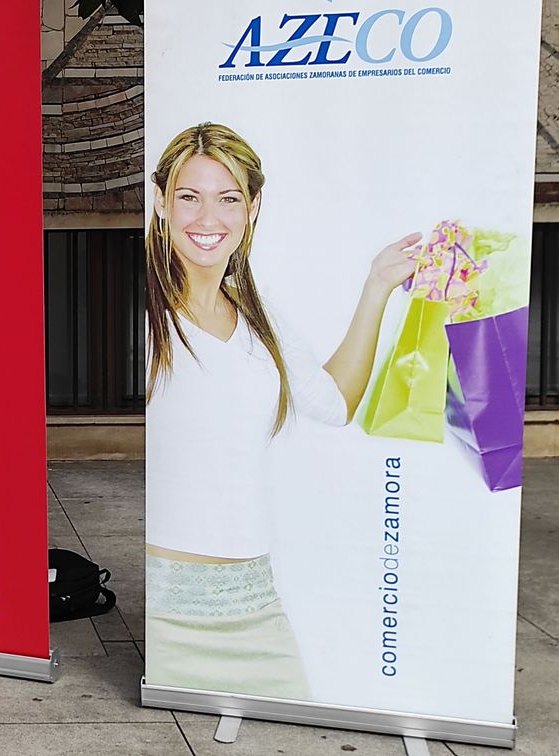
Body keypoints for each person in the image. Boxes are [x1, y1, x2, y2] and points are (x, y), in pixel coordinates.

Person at [143, 123, 416, 700]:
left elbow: (334, 403)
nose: (207, 218)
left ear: (253, 207)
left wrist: (377, 286)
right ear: (161, 202)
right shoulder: (144, 312)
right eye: (189, 197)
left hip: (255, 604)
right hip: (168, 609)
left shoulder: (255, 319)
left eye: (228, 198)